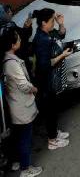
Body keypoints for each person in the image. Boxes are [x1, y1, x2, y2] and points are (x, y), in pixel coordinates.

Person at [2, 27, 42, 177]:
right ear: (12, 45)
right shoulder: (12, 63)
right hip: (21, 107)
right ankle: (26, 169)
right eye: (18, 39)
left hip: (14, 105)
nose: (20, 40)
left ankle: (16, 162)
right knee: (25, 138)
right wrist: (34, 89)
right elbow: (24, 85)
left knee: (17, 137)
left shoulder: (6, 60)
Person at [31, 8, 70, 151]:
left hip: (52, 80)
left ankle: (54, 132)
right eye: (52, 20)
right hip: (45, 82)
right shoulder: (41, 40)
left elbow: (62, 34)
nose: (54, 21)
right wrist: (62, 55)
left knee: (53, 108)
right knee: (50, 110)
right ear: (43, 22)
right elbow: (45, 63)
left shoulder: (48, 32)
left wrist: (60, 24)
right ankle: (52, 140)